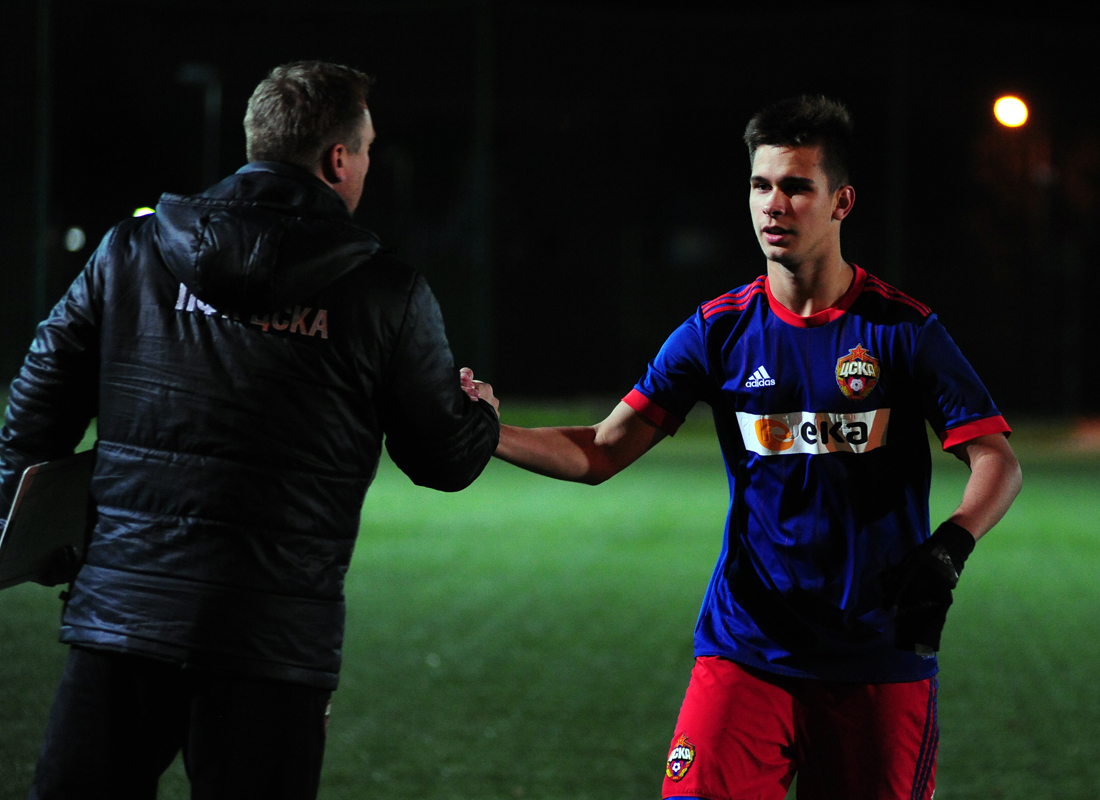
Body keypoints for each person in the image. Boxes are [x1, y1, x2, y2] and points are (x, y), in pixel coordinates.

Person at [470, 96, 1021, 799]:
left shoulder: (903, 331)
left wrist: (951, 545)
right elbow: (601, 449)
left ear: (842, 202)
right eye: (761, 185)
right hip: (747, 648)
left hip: (876, 656)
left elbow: (997, 459)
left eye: (796, 187)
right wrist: (485, 432)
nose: (773, 205)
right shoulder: (718, 331)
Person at [0, 61, 499, 799]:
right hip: (273, 642)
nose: (367, 165)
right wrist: (481, 413)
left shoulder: (130, 254)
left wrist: (35, 537)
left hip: (123, 619)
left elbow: (35, 407)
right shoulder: (386, 292)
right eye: (366, 149)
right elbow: (444, 459)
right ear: (338, 159)